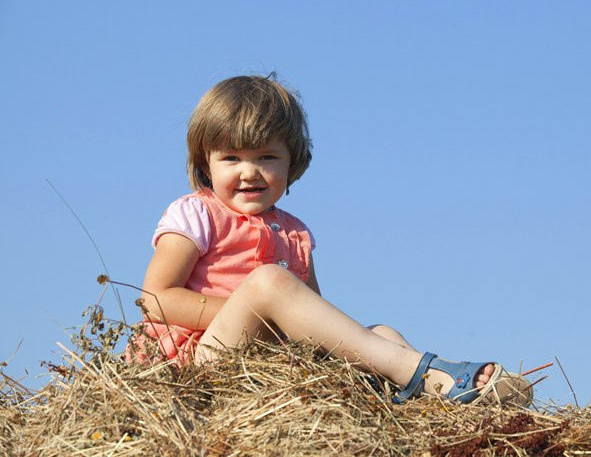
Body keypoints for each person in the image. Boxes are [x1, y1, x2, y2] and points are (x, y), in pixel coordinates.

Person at [137, 75, 531, 406]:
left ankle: (442, 397)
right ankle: (429, 372)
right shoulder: (196, 213)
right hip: (200, 362)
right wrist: (256, 310)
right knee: (269, 282)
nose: (249, 172)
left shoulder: (296, 233)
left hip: (267, 364)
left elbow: (312, 314)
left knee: (382, 334)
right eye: (231, 158)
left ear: (294, 162)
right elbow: (155, 299)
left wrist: (285, 319)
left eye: (267, 158)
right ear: (205, 162)